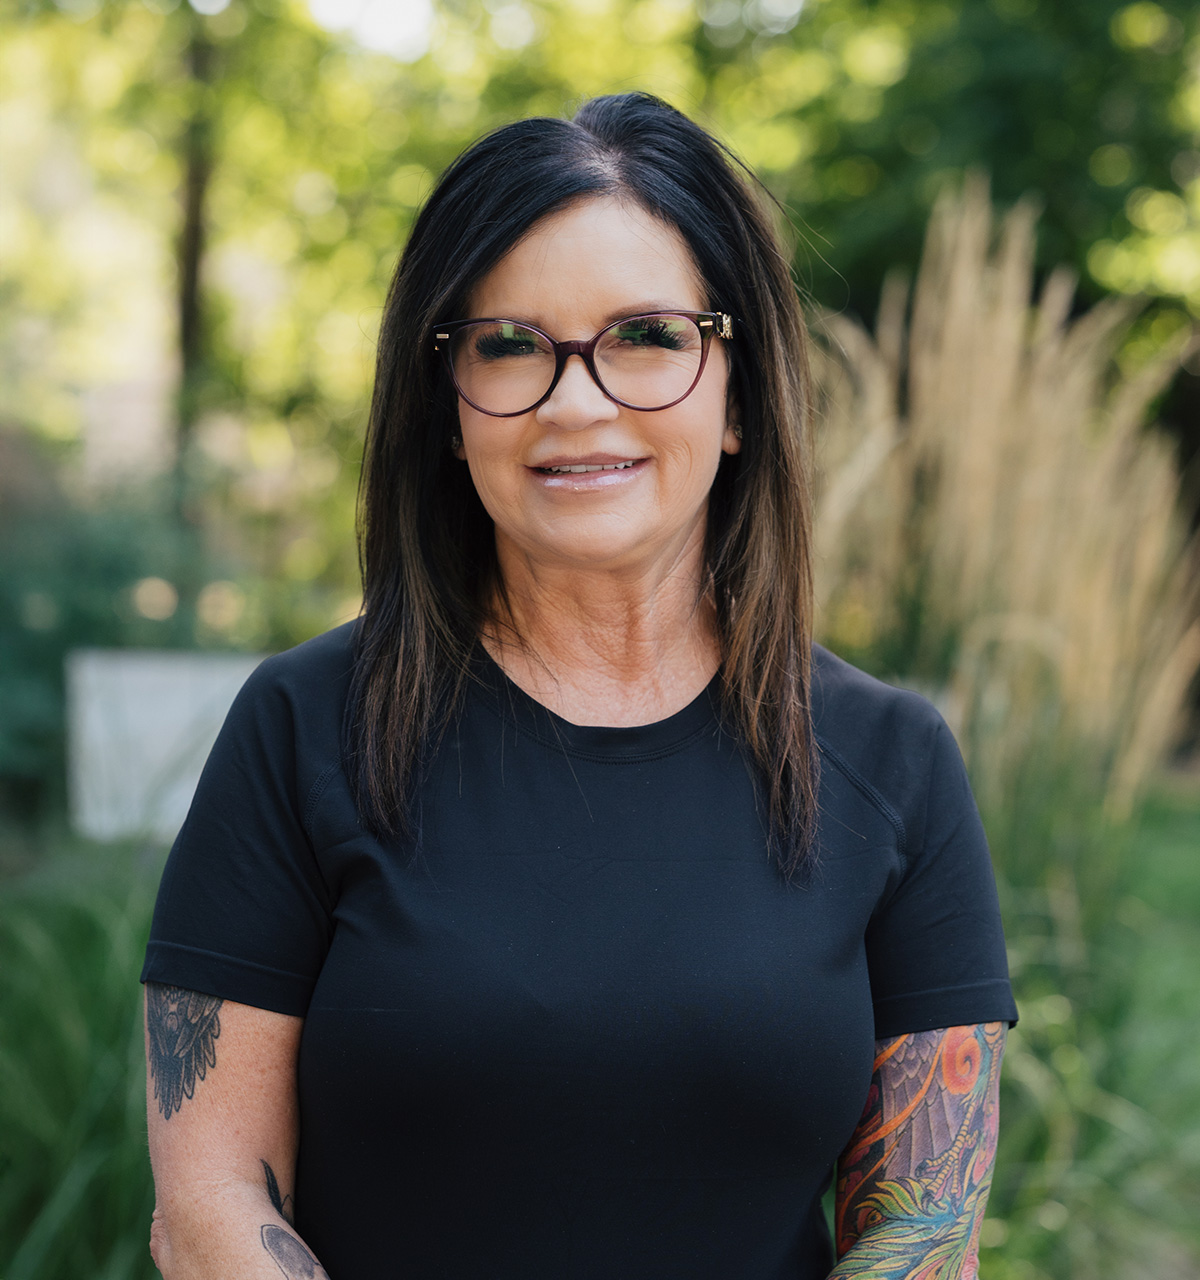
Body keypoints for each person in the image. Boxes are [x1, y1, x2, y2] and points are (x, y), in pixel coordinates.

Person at [141, 92, 1017, 1280]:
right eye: (507, 344)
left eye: (646, 336)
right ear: (449, 410)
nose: (575, 400)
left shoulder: (894, 760)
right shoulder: (303, 727)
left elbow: (920, 1242)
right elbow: (208, 1200)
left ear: (742, 392)